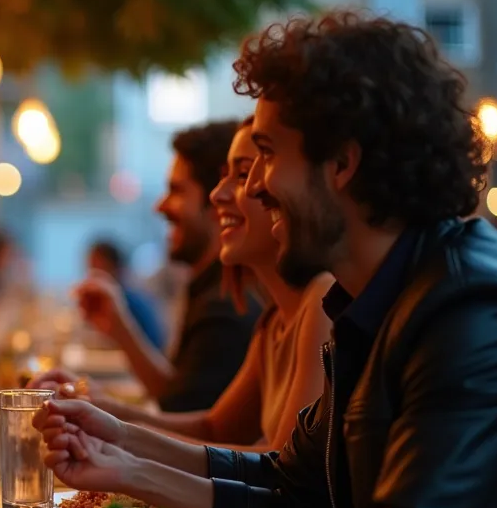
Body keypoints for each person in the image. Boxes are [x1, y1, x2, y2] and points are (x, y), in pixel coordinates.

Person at [35, 12, 497, 508]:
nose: (252, 187)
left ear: (342, 164)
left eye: (265, 155)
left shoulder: (473, 307)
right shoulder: (375, 297)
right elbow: (292, 487)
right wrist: (123, 458)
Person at [44, 118, 332, 452]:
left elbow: (281, 468)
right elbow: (214, 428)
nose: (218, 195)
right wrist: (104, 414)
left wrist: (120, 440)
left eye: (242, 175)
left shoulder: (317, 302)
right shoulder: (273, 320)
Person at [68, 121, 262, 412]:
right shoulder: (210, 289)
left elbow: (188, 423)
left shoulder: (226, 307)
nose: (160, 206)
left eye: (177, 190)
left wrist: (99, 411)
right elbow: (178, 399)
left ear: (216, 204)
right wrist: (119, 328)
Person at [85, 240, 166, 350]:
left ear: (113, 266)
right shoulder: (126, 294)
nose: (92, 274)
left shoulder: (127, 301)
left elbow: (152, 346)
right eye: (90, 266)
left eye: (97, 267)